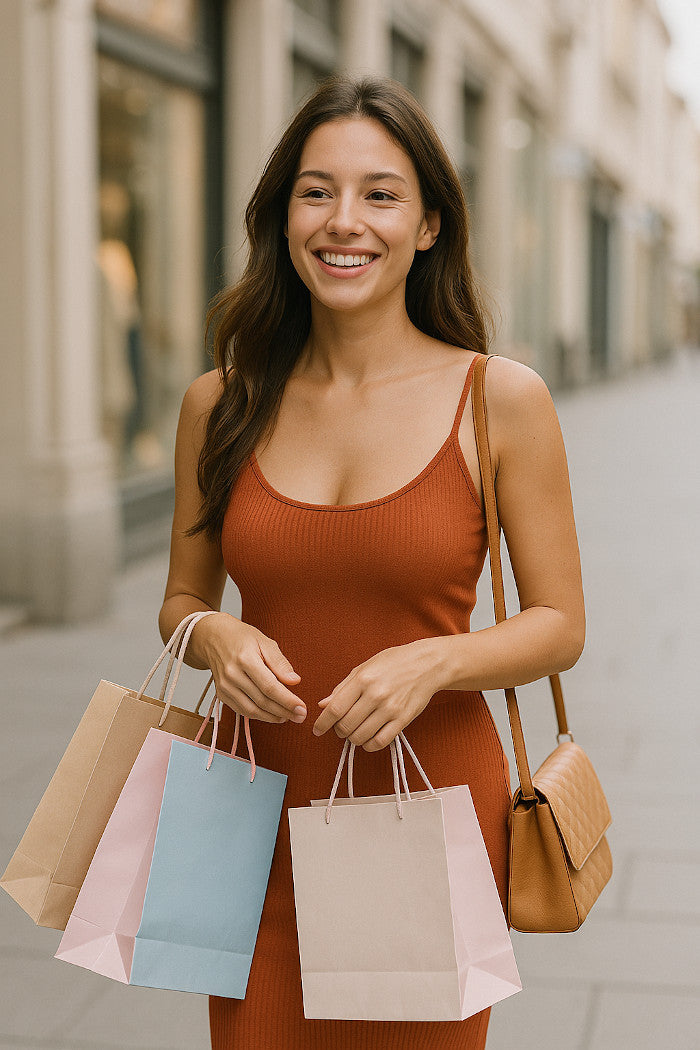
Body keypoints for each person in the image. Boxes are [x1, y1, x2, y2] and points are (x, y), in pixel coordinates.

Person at [158, 74, 585, 1050]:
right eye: (316, 191)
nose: (343, 221)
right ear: (283, 217)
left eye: (379, 194)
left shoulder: (499, 399)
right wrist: (212, 632)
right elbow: (180, 599)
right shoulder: (218, 403)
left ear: (428, 225)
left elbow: (560, 624)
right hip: (248, 810)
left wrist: (433, 660)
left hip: (425, 811)